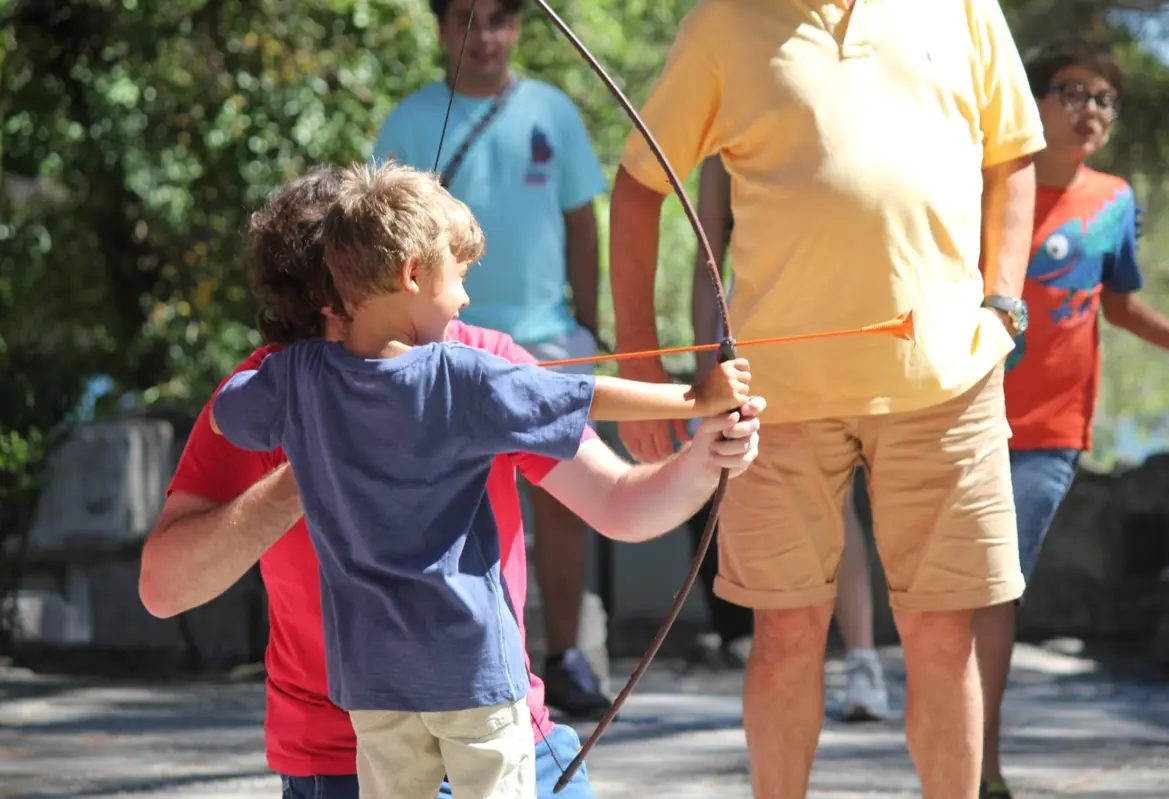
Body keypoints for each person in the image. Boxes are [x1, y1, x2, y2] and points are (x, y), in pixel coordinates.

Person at [138, 165, 765, 799]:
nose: (462, 296)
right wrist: (322, 461)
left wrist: (704, 450)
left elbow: (621, 505)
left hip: (495, 721)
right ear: (331, 299)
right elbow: (163, 589)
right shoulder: (285, 384)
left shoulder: (468, 363)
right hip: (342, 755)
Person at [607, 0, 1045, 795]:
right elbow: (639, 187)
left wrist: (1004, 304)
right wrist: (643, 364)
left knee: (944, 638)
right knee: (785, 635)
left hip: (948, 381)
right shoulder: (724, 21)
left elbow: (1012, 156)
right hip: (779, 397)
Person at [371, 0, 612, 719]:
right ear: (443, 29)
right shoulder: (408, 123)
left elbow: (582, 221)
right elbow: (375, 241)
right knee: (444, 506)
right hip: (442, 345)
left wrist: (587, 328)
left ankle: (565, 656)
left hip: (544, 339)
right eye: (469, 21)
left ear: (520, 29)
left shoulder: (553, 111)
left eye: (502, 20)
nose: (486, 37)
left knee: (568, 496)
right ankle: (454, 658)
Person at [975, 37, 1169, 799]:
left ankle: (980, 765)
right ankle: (957, 751)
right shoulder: (983, 187)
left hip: (1049, 436)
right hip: (960, 419)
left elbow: (1122, 305)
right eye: (1072, 91)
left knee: (995, 586)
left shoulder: (1115, 199)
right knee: (953, 592)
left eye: (1104, 98)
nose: (1091, 109)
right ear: (1031, 103)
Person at [685, 155, 890, 722]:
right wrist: (707, 364)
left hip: (828, 340)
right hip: (754, 352)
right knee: (761, 501)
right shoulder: (722, 148)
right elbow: (709, 263)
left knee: (838, 505)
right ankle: (785, 664)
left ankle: (862, 661)